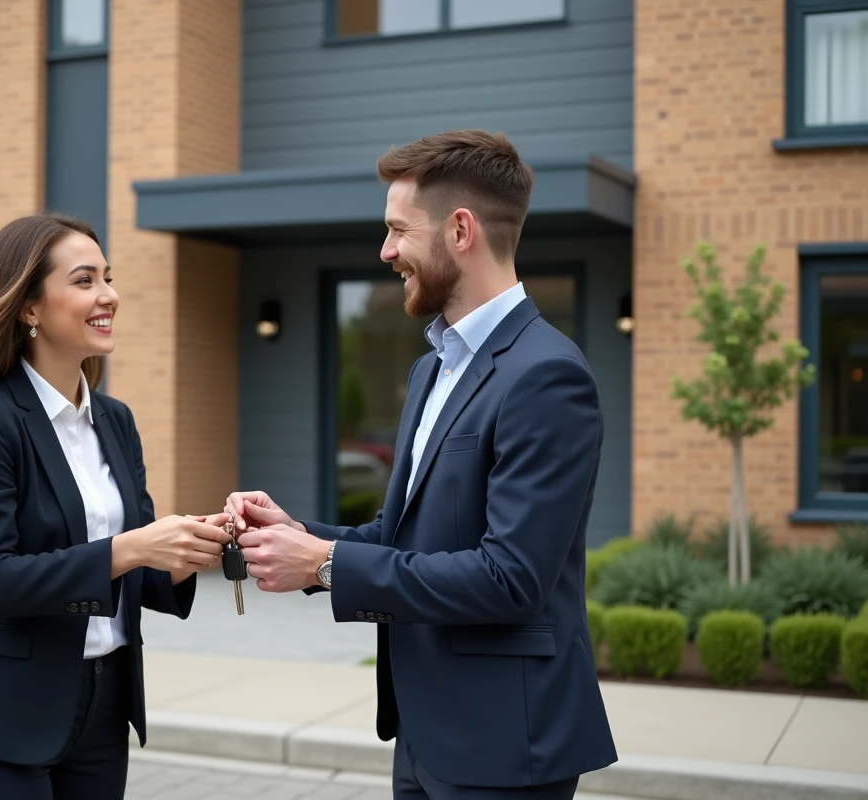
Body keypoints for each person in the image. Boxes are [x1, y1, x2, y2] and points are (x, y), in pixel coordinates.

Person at [223, 130, 617, 799]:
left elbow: (510, 579)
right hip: (423, 733)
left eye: (399, 231)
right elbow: (402, 536)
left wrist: (323, 564)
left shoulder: (547, 375)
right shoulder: (432, 369)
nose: (386, 251)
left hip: (503, 743)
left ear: (460, 230)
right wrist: (298, 534)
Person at [0, 212, 232, 799]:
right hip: (3, 716)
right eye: (85, 280)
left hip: (104, 707)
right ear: (29, 308)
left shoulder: (115, 420)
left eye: (107, 278)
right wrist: (130, 548)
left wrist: (187, 550)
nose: (108, 295)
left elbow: (135, 569)